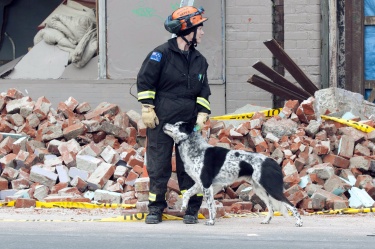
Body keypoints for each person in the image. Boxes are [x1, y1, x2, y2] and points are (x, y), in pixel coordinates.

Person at [136, 6, 211, 224]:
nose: (203, 33)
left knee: (189, 165)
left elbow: (203, 90)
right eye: (200, 28)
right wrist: (147, 107)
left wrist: (202, 113)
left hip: (188, 122)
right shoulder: (160, 54)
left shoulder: (200, 60)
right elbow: (145, 81)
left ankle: (191, 209)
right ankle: (155, 209)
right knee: (159, 165)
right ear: (188, 30)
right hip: (161, 118)